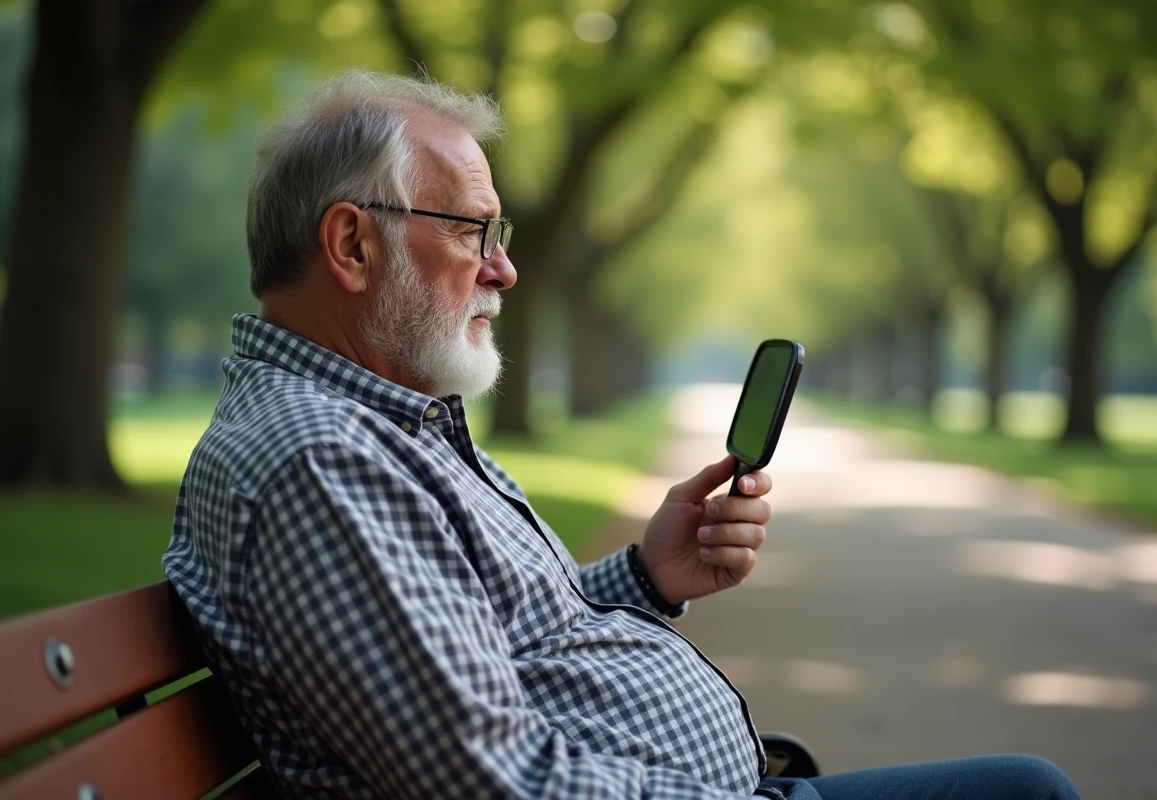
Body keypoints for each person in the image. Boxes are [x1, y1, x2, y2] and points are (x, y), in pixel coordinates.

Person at [163, 70, 1082, 800]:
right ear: (353, 246)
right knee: (1027, 791)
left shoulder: (373, 429)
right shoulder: (320, 462)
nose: (504, 270)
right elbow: (494, 782)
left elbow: (510, 645)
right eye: (474, 231)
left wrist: (644, 577)